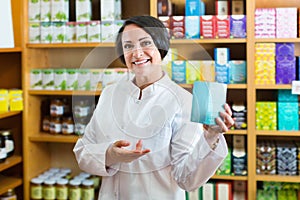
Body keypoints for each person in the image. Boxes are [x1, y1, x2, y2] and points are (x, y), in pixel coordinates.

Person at [73, 15, 234, 200]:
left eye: (145, 43)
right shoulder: (109, 94)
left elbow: (187, 180)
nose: (137, 53)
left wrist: (211, 136)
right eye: (128, 46)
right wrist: (110, 155)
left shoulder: (183, 101)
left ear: (161, 46)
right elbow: (83, 151)